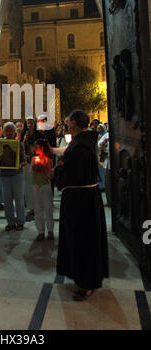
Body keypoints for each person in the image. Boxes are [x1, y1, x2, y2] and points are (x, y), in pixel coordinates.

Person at [54, 109, 109, 301]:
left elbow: (71, 173)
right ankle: (83, 278)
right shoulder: (83, 141)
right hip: (83, 197)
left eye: (68, 121)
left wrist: (56, 173)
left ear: (75, 124)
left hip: (80, 201)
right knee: (82, 240)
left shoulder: (80, 147)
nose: (66, 124)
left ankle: (86, 284)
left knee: (83, 241)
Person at [0, 122, 27, 231]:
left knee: (19, 199)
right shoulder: (1, 144)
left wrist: (19, 165)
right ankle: (10, 222)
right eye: (7, 130)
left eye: (10, 130)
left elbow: (24, 161)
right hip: (4, 175)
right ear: (4, 132)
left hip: (17, 175)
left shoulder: (18, 144)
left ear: (14, 131)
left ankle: (20, 222)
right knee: (7, 200)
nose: (9, 132)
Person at [31, 139, 54, 241]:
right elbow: (31, 172)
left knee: (48, 208)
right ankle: (40, 231)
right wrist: (35, 168)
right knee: (38, 208)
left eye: (36, 147)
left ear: (42, 148)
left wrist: (43, 169)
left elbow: (50, 175)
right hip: (36, 185)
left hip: (45, 186)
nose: (34, 149)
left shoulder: (49, 160)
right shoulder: (33, 159)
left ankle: (50, 230)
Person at [22, 117, 38, 216]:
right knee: (28, 185)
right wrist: (24, 140)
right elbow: (20, 146)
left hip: (37, 161)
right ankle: (31, 207)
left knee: (36, 184)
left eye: (31, 123)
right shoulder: (24, 134)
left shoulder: (39, 134)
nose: (29, 125)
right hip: (27, 161)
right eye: (28, 123)